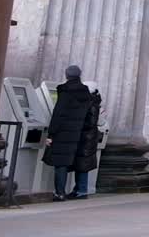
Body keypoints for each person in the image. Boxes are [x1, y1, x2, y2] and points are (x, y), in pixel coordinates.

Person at [42, 65, 93, 201]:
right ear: (79, 75)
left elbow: (58, 114)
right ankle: (79, 191)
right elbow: (89, 115)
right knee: (76, 161)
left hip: (63, 133)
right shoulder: (86, 92)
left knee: (61, 163)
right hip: (79, 133)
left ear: (66, 75)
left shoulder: (65, 91)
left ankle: (60, 193)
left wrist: (51, 134)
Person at [69, 87, 103, 199]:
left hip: (86, 137)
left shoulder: (90, 103)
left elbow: (90, 122)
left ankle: (82, 190)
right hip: (89, 137)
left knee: (82, 164)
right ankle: (79, 189)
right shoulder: (95, 102)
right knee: (82, 164)